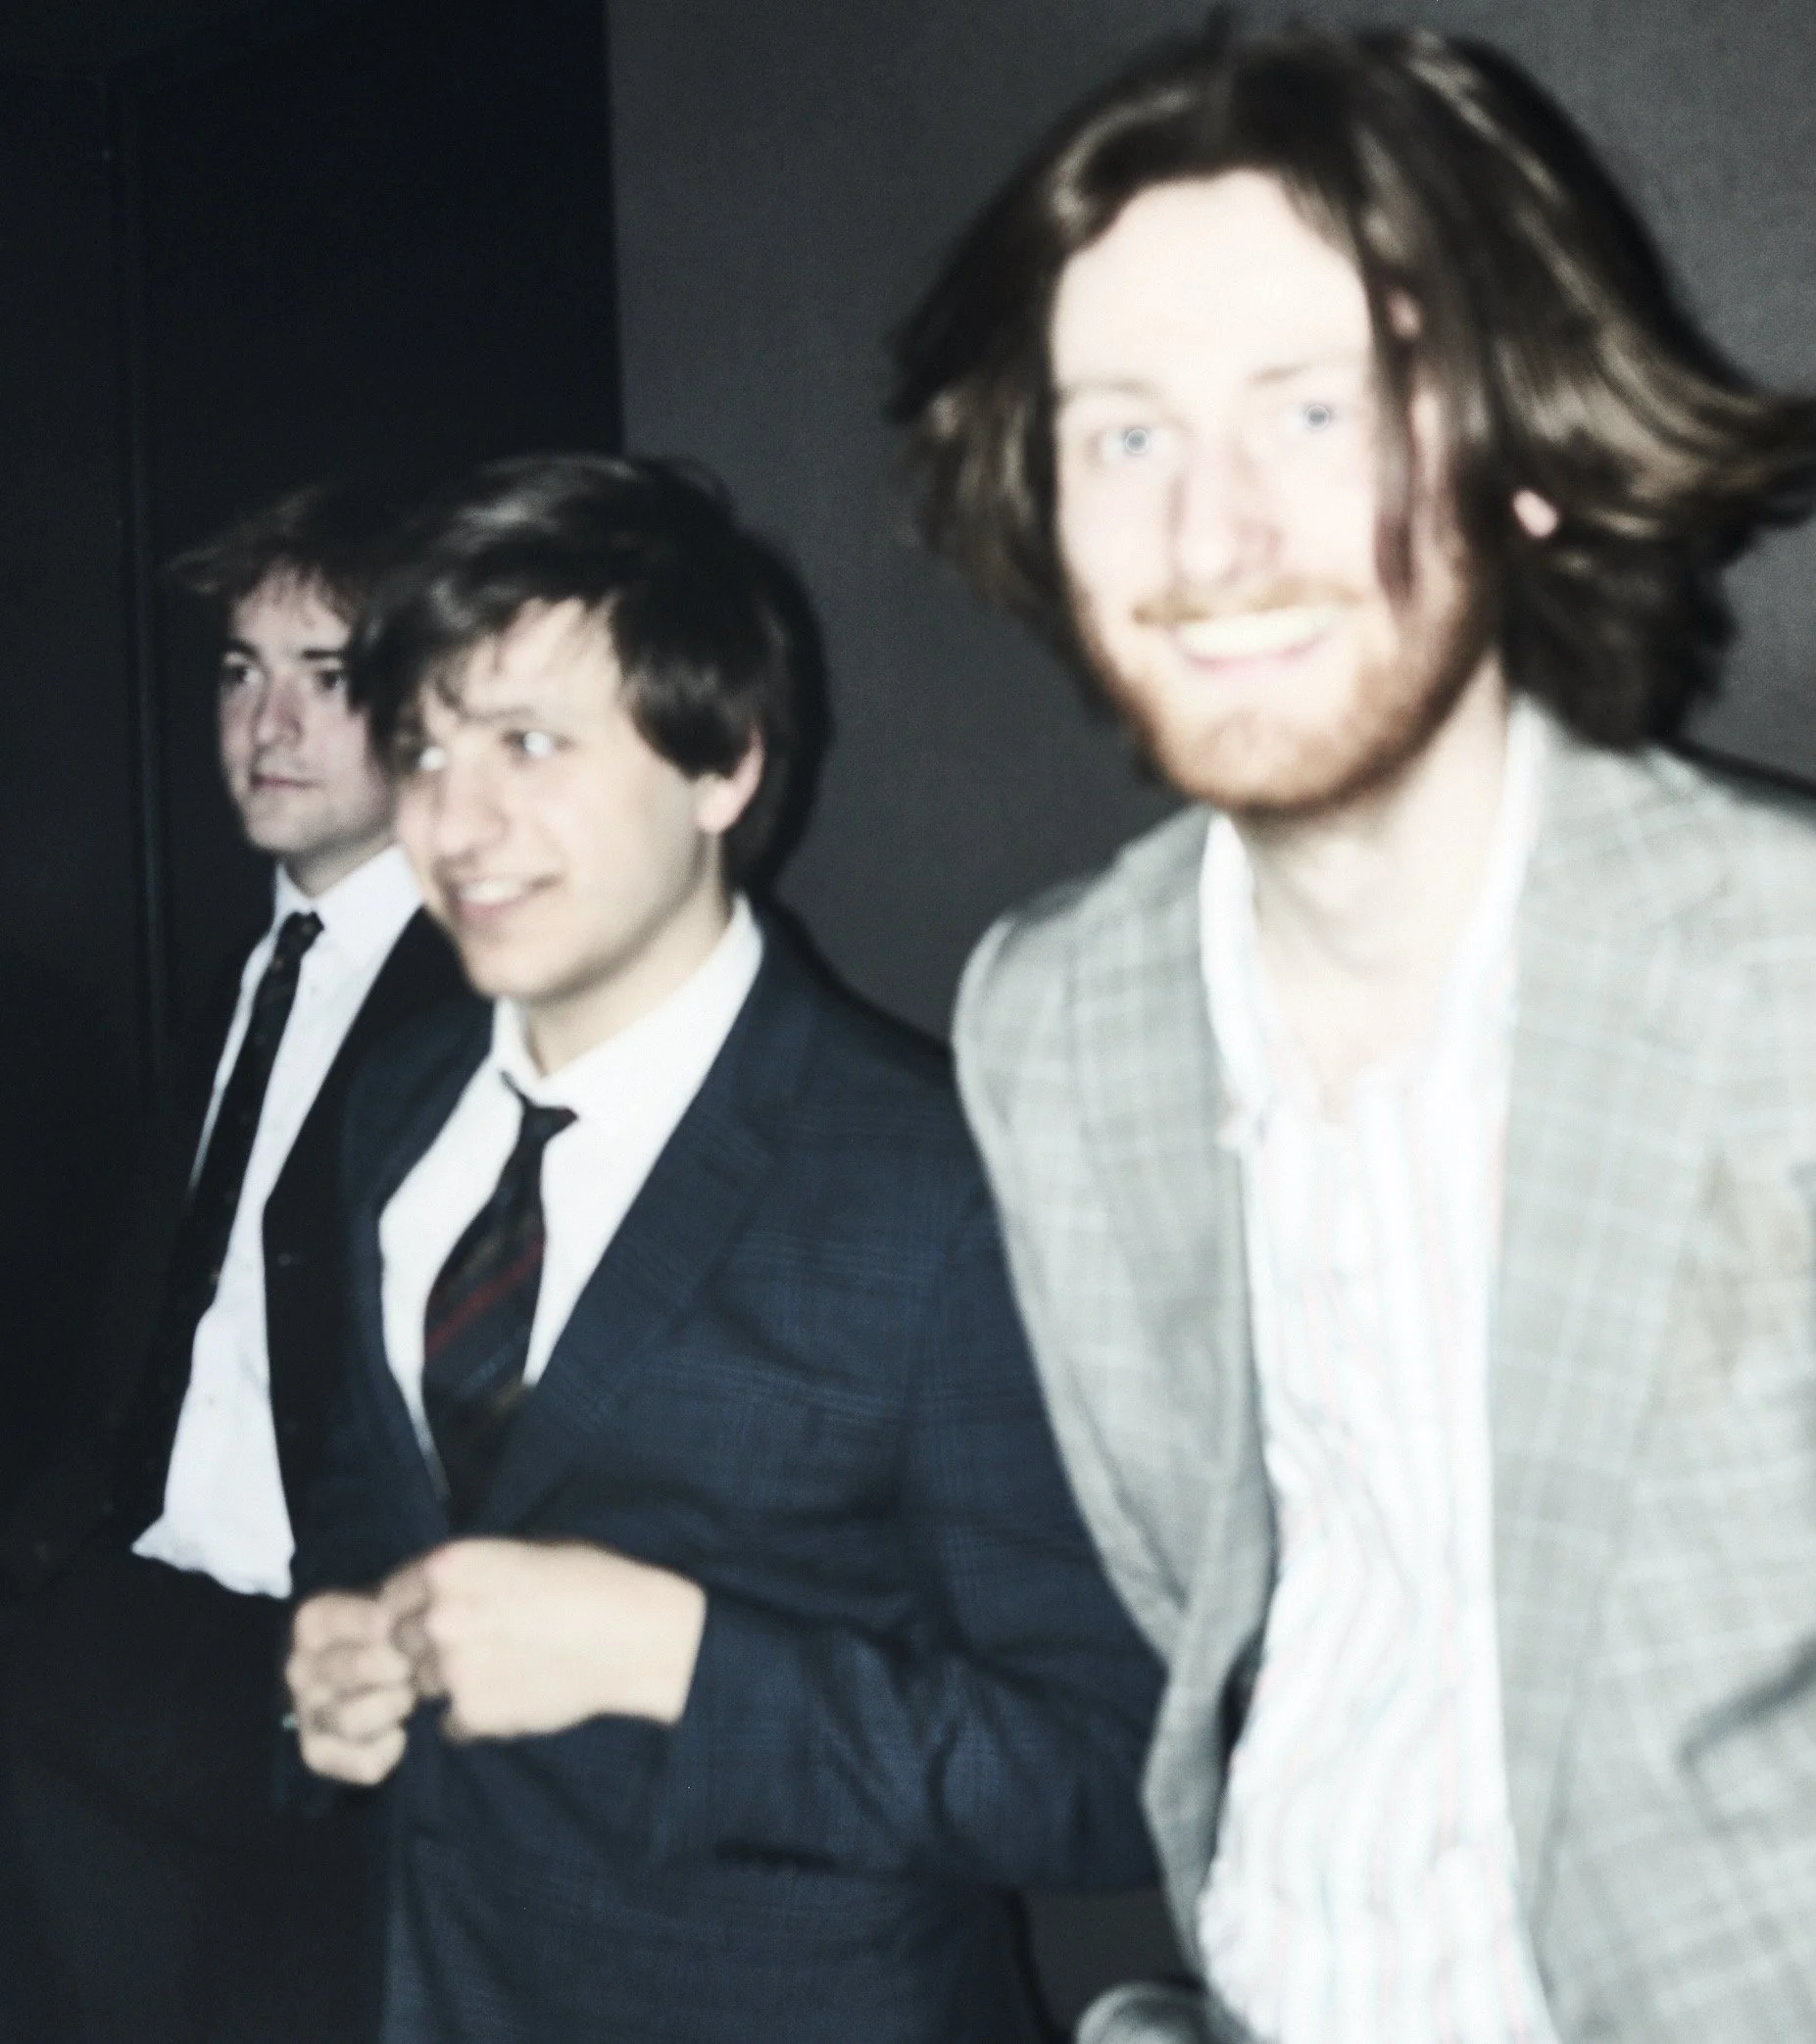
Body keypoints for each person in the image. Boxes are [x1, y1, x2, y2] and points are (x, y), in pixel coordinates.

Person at [889, 21, 1816, 2044]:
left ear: (1518, 457)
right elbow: (1226, 1620)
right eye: (1124, 437)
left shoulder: (1786, 979)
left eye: (1310, 412)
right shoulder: (1053, 1020)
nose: (1209, 538)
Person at [281, 452, 1162, 2044]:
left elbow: (1114, 1767)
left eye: (529, 742)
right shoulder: (399, 1113)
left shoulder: (941, 1189)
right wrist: (342, 1647)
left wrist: (680, 1659)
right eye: (420, 748)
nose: (454, 823)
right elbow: (367, 1493)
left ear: (724, 764)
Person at [0, 484, 467, 2044]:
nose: (266, 722)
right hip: (124, 1635)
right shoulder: (240, 981)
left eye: (325, 674)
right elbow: (150, 1332)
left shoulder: (483, 1000)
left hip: (324, 1689)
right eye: (238, 670)